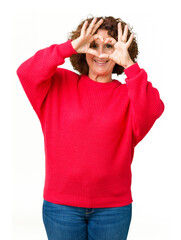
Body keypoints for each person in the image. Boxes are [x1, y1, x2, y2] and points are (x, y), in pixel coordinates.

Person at [16, 15, 165, 240]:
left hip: (113, 209)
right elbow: (26, 72)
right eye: (93, 45)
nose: (101, 53)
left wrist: (129, 65)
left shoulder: (128, 94)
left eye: (109, 46)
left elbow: (153, 108)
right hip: (61, 207)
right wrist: (71, 46)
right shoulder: (58, 83)